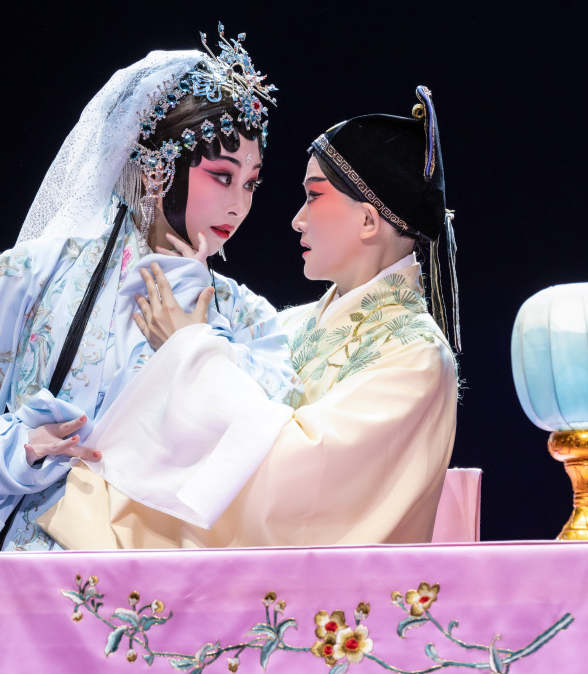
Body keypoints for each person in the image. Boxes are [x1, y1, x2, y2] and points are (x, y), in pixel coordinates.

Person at [0, 29, 300, 674]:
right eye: (221, 175)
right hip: (12, 585)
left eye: (251, 183)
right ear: (157, 169)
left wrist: (198, 351)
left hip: (142, 616)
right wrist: (8, 448)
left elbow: (269, 459)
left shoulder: (250, 324)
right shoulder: (49, 272)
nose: (239, 203)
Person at [40, 85, 461, 550]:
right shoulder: (288, 324)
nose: (297, 219)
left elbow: (299, 481)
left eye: (314, 196)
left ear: (367, 221)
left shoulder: (416, 356)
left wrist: (192, 350)